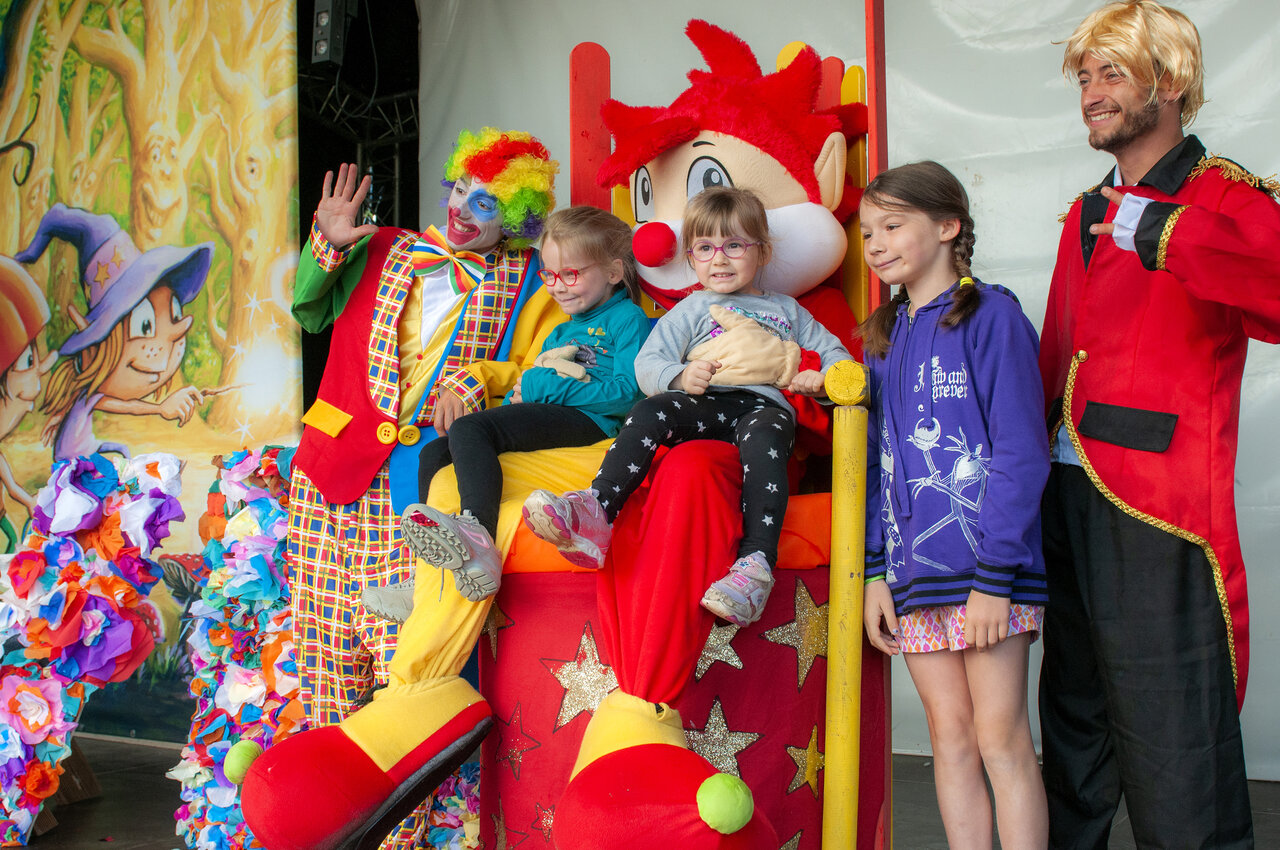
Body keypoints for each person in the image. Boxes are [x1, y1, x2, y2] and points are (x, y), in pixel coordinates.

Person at [1038, 3, 1280, 847]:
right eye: (1085, 77)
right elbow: (1059, 351)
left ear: (1169, 81)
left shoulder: (1224, 197)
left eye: (1112, 73)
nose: (1091, 93)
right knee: (1073, 720)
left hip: (1158, 502)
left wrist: (1167, 231)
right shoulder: (1085, 209)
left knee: (1172, 729)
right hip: (1064, 489)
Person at [283, 128, 560, 849]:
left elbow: (544, 366)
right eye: (461, 189)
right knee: (324, 656)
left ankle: (400, 838)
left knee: (404, 665)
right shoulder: (379, 246)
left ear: (517, 219)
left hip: (419, 491)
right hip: (330, 476)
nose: (465, 209)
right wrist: (326, 245)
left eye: (488, 203)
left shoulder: (532, 278)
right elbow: (308, 309)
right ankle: (327, 829)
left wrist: (480, 381)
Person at [522, 186, 852, 626]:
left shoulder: (786, 310)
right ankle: (596, 511)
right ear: (691, 259)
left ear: (763, 250)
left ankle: (755, 566)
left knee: (767, 438)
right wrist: (679, 377)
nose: (719, 259)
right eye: (705, 248)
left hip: (763, 406)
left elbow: (837, 356)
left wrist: (821, 379)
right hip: (705, 403)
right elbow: (647, 365)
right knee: (648, 412)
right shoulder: (692, 308)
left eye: (734, 246)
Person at [858, 161, 1049, 849]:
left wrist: (995, 580)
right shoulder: (881, 335)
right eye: (867, 232)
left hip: (988, 575)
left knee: (1002, 739)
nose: (876, 244)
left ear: (947, 226)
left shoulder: (992, 316)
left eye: (892, 225)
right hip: (913, 577)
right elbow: (873, 463)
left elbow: (1022, 451)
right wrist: (875, 572)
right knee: (951, 739)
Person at [392, 206, 650, 602]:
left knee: (471, 427)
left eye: (571, 274)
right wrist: (528, 390)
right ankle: (427, 577)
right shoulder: (561, 330)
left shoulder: (627, 318)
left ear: (614, 272)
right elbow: (532, 384)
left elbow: (628, 394)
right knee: (435, 453)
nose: (558, 287)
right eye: (549, 275)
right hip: (559, 414)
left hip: (592, 421)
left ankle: (478, 536)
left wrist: (543, 387)